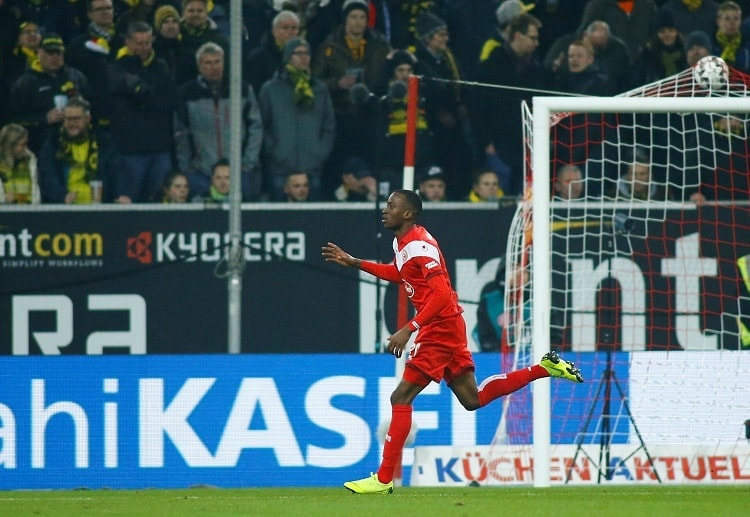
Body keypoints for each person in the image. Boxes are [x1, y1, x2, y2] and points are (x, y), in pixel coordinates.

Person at [321, 189, 583, 495]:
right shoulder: (402, 242)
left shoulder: (420, 245)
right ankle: (543, 368)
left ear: (408, 213)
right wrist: (356, 263)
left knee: (400, 397)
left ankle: (382, 479)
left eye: (392, 205)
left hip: (440, 328)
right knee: (473, 400)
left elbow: (442, 294)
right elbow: (399, 273)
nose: (385, 209)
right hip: (448, 324)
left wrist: (410, 327)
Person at [174, 41, 263, 201]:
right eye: (208, 63)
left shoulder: (241, 89)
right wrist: (186, 165)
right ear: (199, 66)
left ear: (224, 62)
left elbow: (255, 126)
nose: (213, 67)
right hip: (201, 171)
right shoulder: (188, 93)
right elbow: (181, 132)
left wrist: (248, 161)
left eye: (217, 62)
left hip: (239, 170)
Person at [471, 13, 546, 196]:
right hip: (497, 147)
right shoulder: (491, 66)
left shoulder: (536, 70)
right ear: (518, 36)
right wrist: (487, 141)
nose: (537, 43)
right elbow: (477, 108)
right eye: (533, 38)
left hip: (526, 146)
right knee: (499, 196)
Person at [258, 37, 336, 201]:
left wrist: (318, 153)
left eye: (306, 53)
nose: (304, 57)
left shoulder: (320, 89)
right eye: (298, 53)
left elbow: (329, 126)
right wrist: (274, 152)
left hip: (311, 168)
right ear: (287, 57)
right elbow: (262, 126)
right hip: (280, 168)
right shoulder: (270, 89)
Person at [107, 21, 177, 203]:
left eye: (147, 43)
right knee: (127, 204)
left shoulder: (161, 66)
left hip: (159, 148)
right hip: (130, 151)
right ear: (128, 42)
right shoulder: (117, 67)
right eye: (138, 43)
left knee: (161, 203)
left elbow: (169, 100)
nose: (143, 48)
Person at [413, 10, 475, 200]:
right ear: (428, 38)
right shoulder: (417, 61)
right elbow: (426, 92)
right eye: (441, 35)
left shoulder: (449, 58)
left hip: (454, 123)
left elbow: (461, 85)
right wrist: (439, 111)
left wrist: (460, 106)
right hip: (432, 128)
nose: (446, 39)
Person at [7, 33, 90, 155]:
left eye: (59, 53)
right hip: (41, 146)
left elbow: (92, 105)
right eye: (50, 53)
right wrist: (44, 118)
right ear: (39, 53)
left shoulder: (76, 77)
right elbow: (13, 120)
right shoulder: (25, 83)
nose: (55, 57)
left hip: (78, 145)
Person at [38, 96, 112, 204]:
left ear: (87, 119)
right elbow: (48, 177)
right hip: (65, 207)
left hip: (99, 206)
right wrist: (62, 196)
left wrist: (122, 194)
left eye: (76, 119)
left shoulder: (103, 142)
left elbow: (116, 172)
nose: (72, 124)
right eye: (68, 119)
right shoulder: (54, 143)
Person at [244, 10, 300, 97]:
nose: (290, 32)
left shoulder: (304, 55)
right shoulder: (258, 58)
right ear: (274, 31)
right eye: (285, 27)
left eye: (294, 28)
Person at [174, 0, 230, 86]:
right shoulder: (174, 40)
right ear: (183, 12)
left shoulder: (220, 41)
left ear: (206, 13)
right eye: (191, 11)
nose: (195, 14)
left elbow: (227, 72)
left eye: (200, 11)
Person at [632, 10, 688, 86]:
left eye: (671, 30)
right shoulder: (646, 56)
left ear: (677, 32)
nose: (667, 35)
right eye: (662, 31)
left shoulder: (686, 55)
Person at [0, 123, 41, 204]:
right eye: (22, 144)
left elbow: (35, 191)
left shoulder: (30, 162)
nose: (25, 148)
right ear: (10, 145)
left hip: (29, 213)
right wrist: (3, 199)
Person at [712, 1, 750, 73]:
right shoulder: (711, 46)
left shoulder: (747, 48)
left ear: (740, 21)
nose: (732, 22)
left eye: (736, 18)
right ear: (718, 21)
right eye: (727, 18)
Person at [152, 4, 183, 79]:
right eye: (165, 22)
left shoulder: (184, 47)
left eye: (174, 21)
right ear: (158, 26)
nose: (171, 26)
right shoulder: (152, 50)